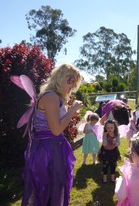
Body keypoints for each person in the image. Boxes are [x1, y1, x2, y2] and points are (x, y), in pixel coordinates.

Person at [21, 64, 83, 206]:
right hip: (48, 151)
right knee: (48, 191)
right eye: (71, 80)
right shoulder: (51, 97)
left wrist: (69, 112)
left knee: (54, 190)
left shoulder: (53, 96)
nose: (73, 86)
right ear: (60, 78)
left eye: (76, 82)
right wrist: (72, 110)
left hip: (50, 147)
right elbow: (56, 130)